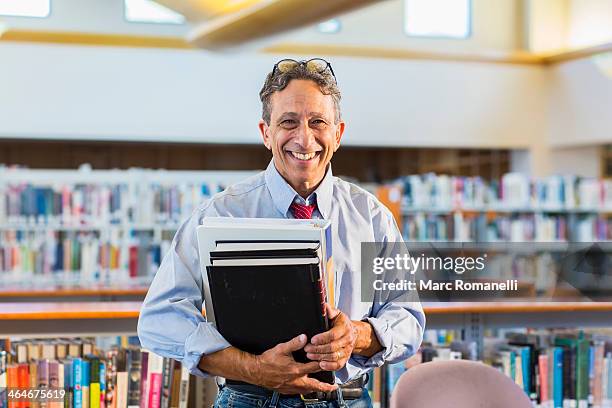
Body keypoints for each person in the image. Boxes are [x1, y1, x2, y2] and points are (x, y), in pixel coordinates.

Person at [137, 58, 425, 407]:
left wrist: (358, 336)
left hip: (346, 398)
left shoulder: (373, 218)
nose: (304, 138)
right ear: (266, 133)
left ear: (338, 133)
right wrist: (251, 367)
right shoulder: (220, 215)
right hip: (249, 398)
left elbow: (407, 319)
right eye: (288, 122)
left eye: (318, 122)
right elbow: (159, 319)